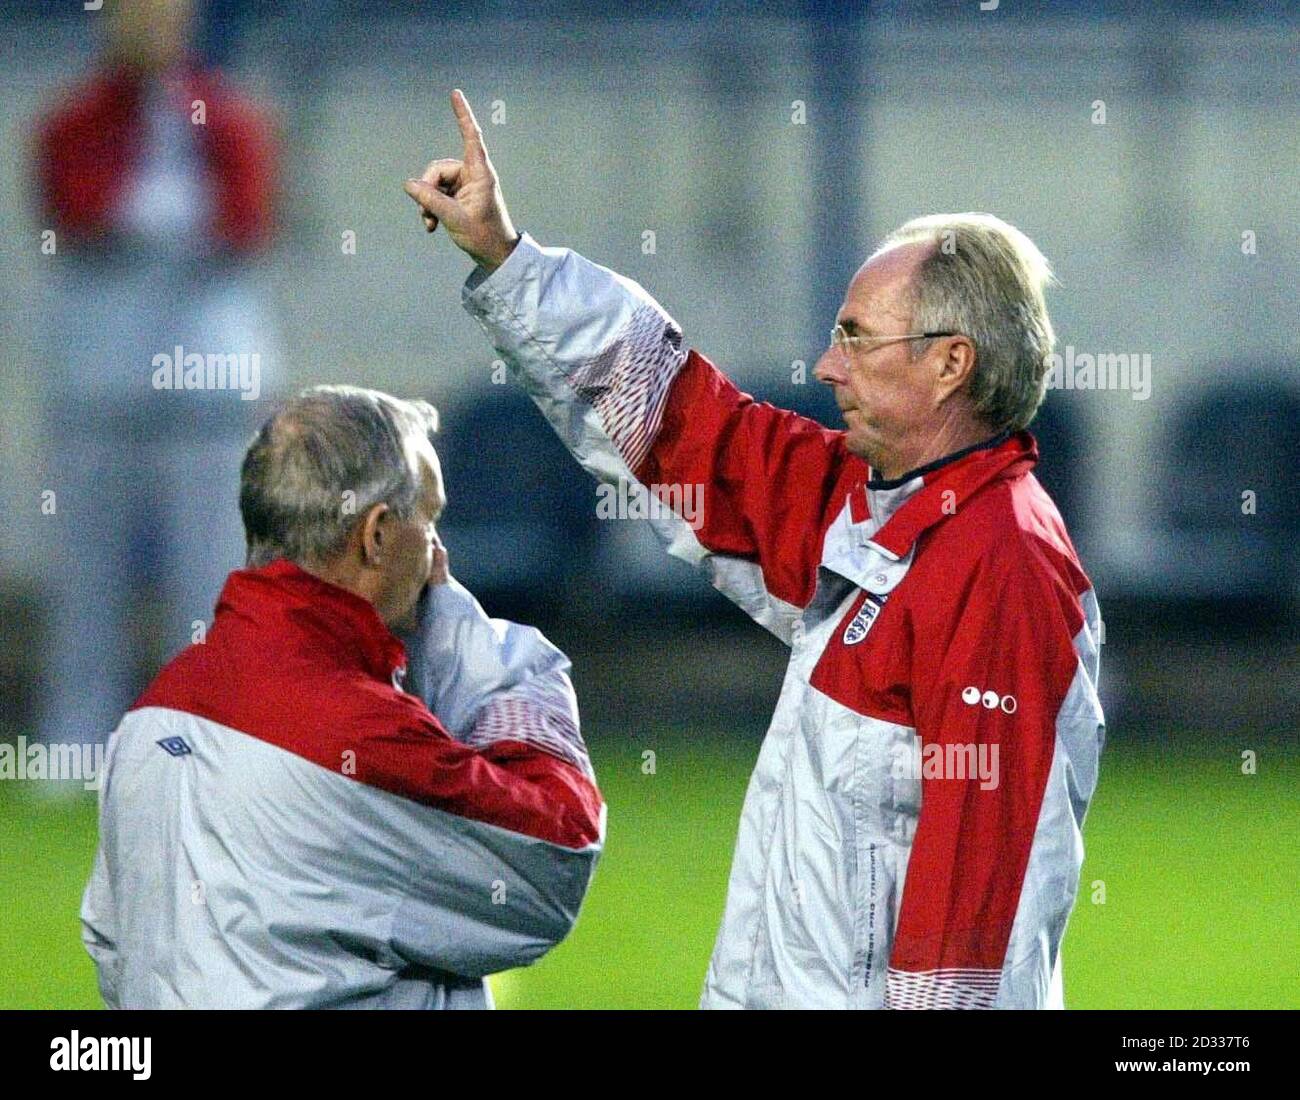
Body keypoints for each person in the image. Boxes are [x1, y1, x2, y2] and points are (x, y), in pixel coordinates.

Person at [402, 91, 1105, 1010]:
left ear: (951, 363)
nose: (828, 365)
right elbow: (681, 418)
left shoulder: (1003, 566)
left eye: (856, 337)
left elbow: (977, 915)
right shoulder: (873, 506)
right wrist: (508, 256)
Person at [81, 385, 604, 1009]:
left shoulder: (151, 715)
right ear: (377, 536)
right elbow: (553, 859)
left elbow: (113, 947)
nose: (440, 557)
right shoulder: (361, 738)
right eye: (430, 522)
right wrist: (489, 656)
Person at [32, 0, 278, 754]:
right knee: (87, 589)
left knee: (210, 587)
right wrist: (163, 217)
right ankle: (76, 741)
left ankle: (208, 742)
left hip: (205, 394)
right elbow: (77, 209)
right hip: (102, 388)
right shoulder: (73, 121)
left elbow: (243, 221)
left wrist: (157, 216)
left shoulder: (231, 119)